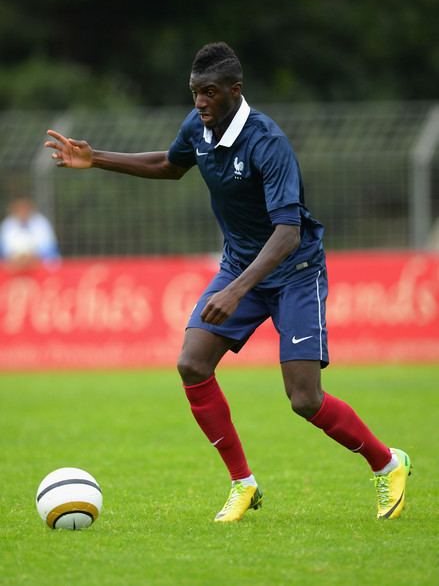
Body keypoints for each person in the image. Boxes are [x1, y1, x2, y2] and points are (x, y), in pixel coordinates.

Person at [44, 42, 411, 522]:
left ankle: (387, 463)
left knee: (304, 399)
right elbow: (170, 166)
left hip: (295, 271)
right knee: (192, 364)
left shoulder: (267, 142)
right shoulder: (198, 126)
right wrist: (96, 159)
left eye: (209, 93)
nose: (199, 102)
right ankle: (243, 483)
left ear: (234, 91)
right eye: (195, 92)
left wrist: (235, 290)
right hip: (240, 266)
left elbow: (287, 232)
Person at [0, 196, 60, 272]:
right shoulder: (7, 224)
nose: (22, 212)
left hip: (38, 262)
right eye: (19, 209)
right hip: (14, 264)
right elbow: (4, 249)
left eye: (25, 209)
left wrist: (31, 256)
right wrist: (18, 258)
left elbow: (49, 247)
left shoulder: (41, 222)